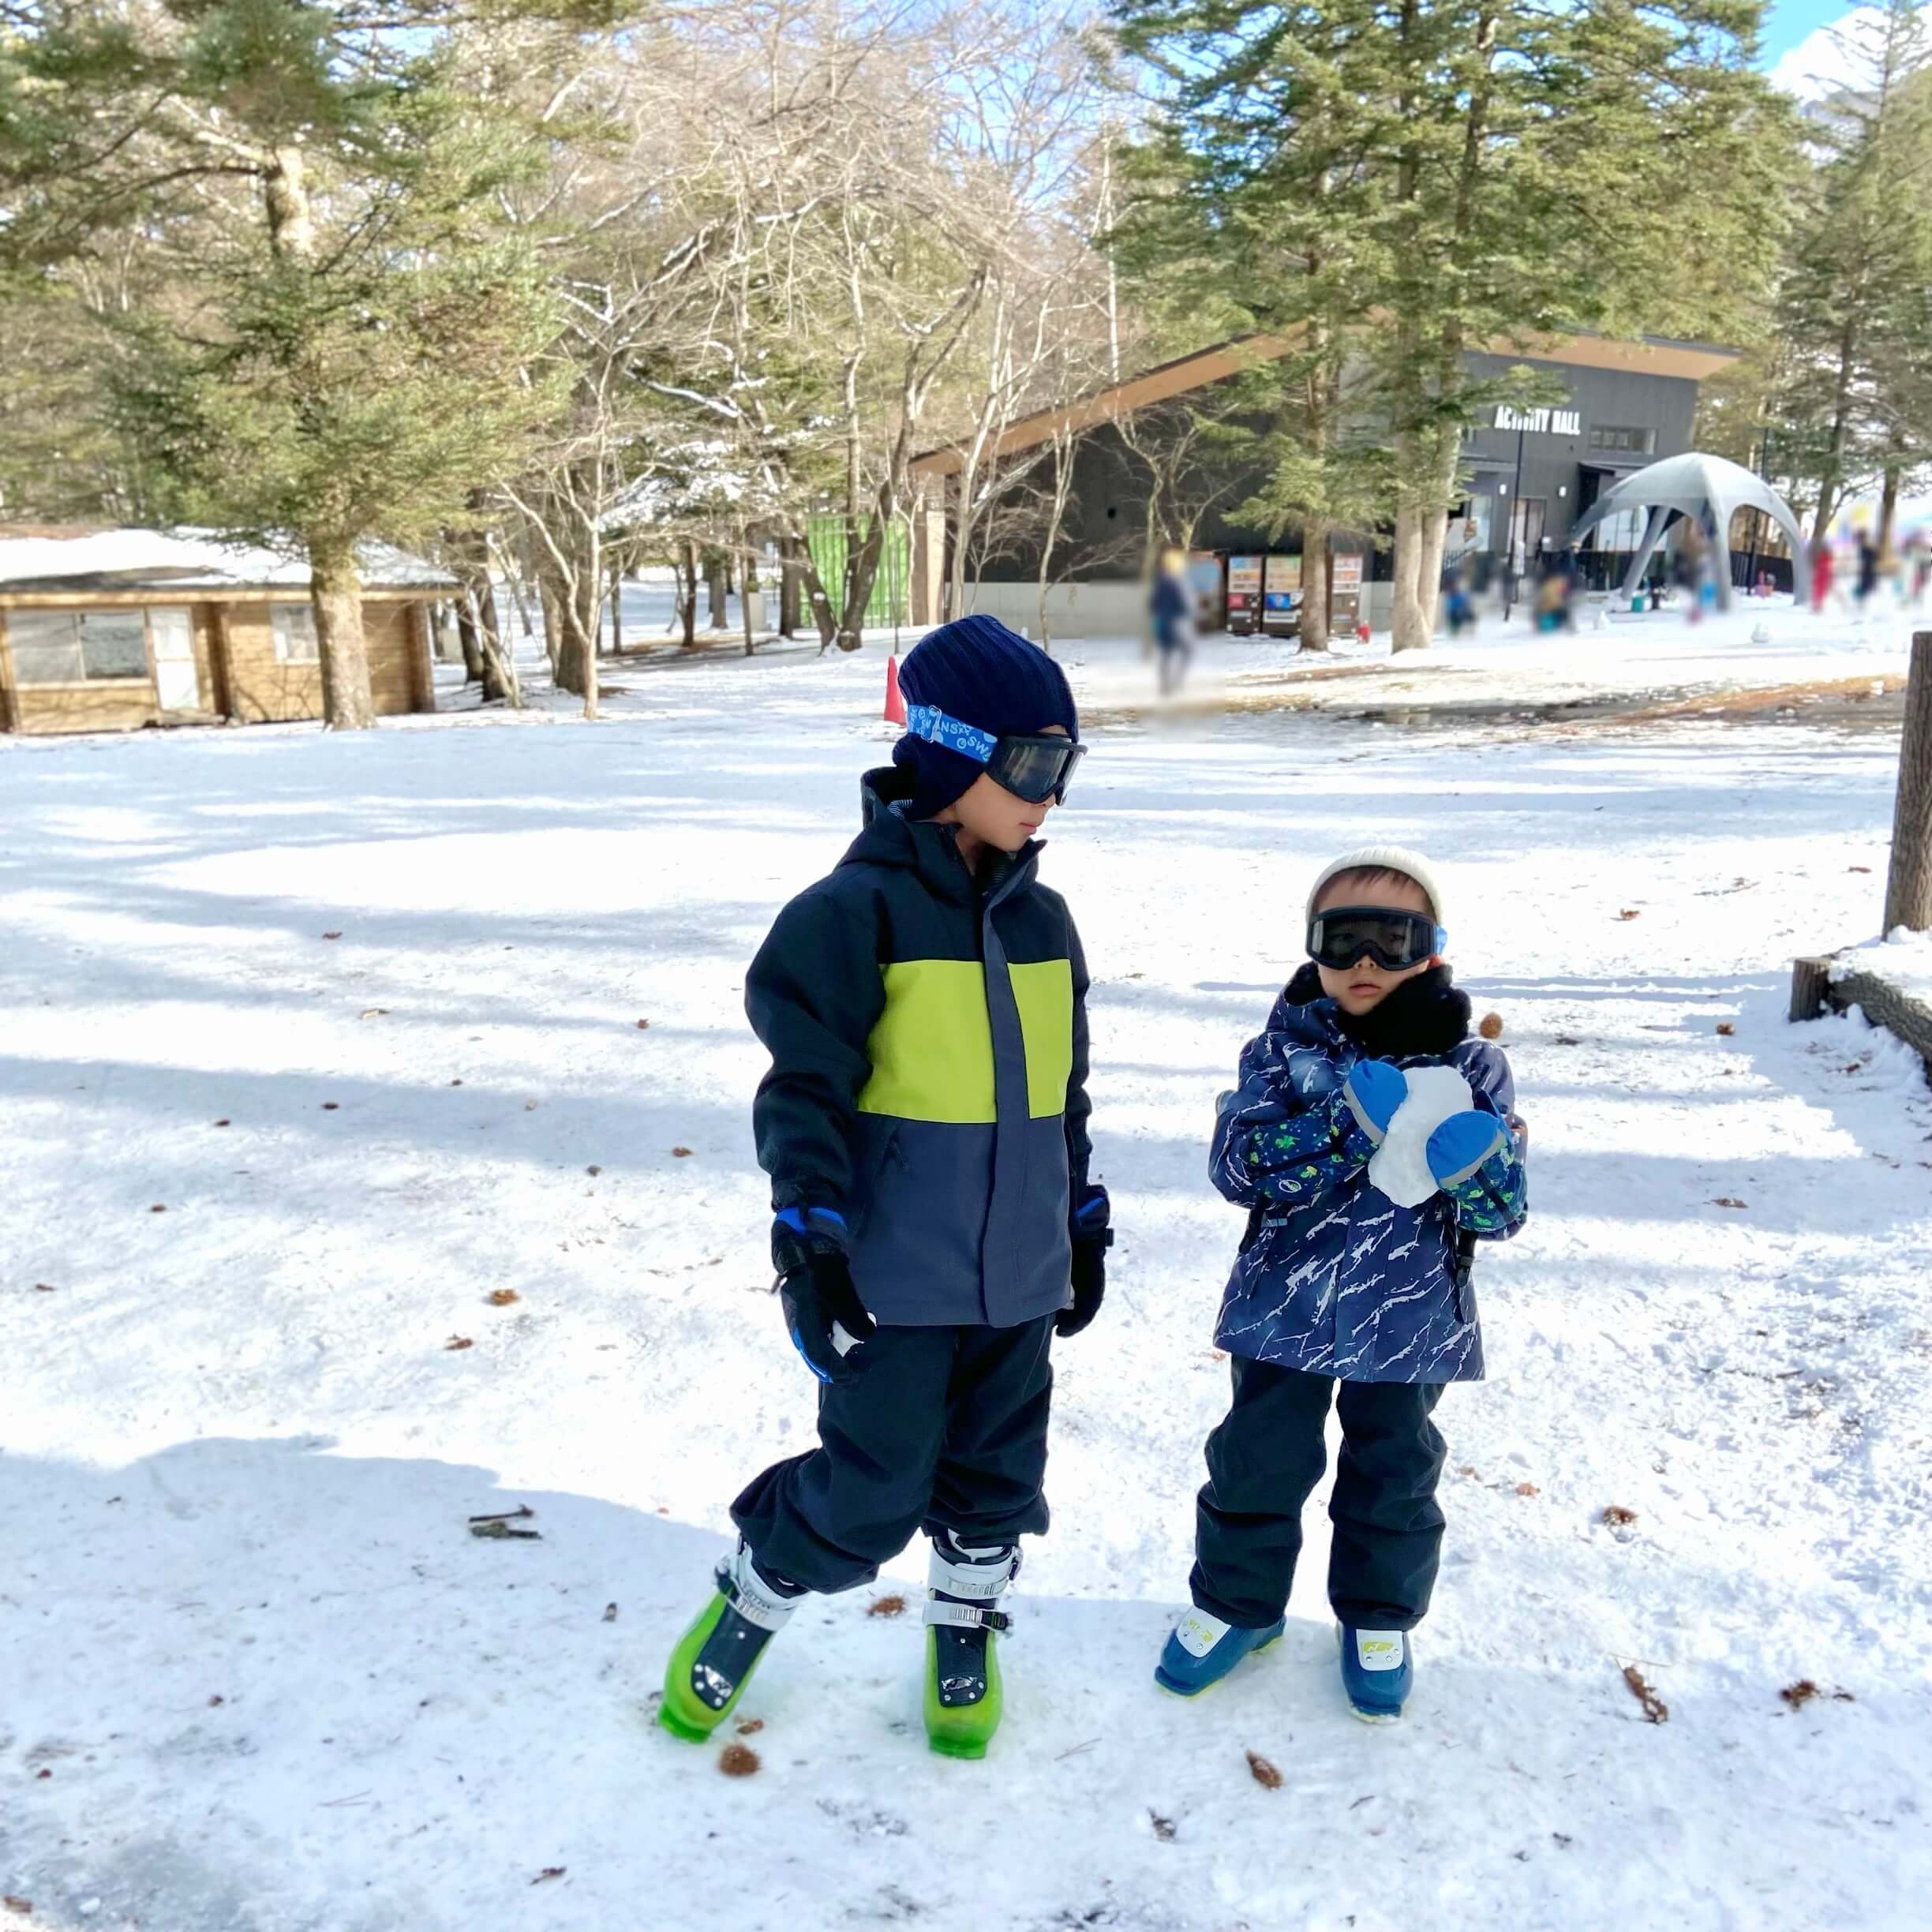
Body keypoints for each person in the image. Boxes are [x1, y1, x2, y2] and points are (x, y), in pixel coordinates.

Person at [660, 612, 1110, 1762]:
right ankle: (757, 1590)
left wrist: (1081, 1214)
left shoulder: (1045, 920)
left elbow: (1063, 1094)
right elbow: (802, 1092)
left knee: (997, 1481)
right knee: (869, 1495)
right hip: (896, 1280)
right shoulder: (847, 917)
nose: (1050, 791)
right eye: (1031, 763)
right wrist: (807, 1238)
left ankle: (965, 1621)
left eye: (1067, 763)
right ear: (954, 755)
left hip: (1015, 1277)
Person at [1154, 847, 1527, 1723]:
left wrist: (1477, 1169)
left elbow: (1504, 1212)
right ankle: (1237, 1605)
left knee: (1394, 1473)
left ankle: (1377, 1619)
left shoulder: (1474, 1069)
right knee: (1255, 1462)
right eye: (1343, 937)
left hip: (1410, 1319)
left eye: (1392, 940)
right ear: (1312, 945)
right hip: (1284, 1311)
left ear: (1431, 949)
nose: (1366, 963)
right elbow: (1238, 1166)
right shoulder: (1283, 1052)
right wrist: (1342, 1125)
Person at [1151, 547, 1196, 695]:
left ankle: (1166, 685)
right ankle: (1175, 682)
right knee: (1186, 651)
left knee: (1167, 654)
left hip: (1162, 623)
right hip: (1173, 624)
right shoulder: (1172, 582)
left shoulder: (1161, 581)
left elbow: (1152, 604)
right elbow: (1182, 605)